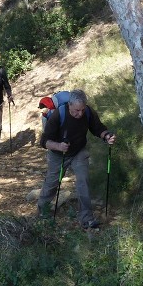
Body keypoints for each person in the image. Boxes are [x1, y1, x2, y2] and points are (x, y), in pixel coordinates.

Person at [37, 90, 116, 229]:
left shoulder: (88, 112)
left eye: (82, 110)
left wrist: (107, 136)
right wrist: (58, 146)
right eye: (76, 110)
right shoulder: (58, 115)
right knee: (51, 183)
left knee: (83, 181)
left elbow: (98, 128)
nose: (79, 114)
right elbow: (44, 141)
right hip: (58, 154)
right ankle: (42, 211)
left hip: (78, 151)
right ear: (69, 105)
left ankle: (87, 219)